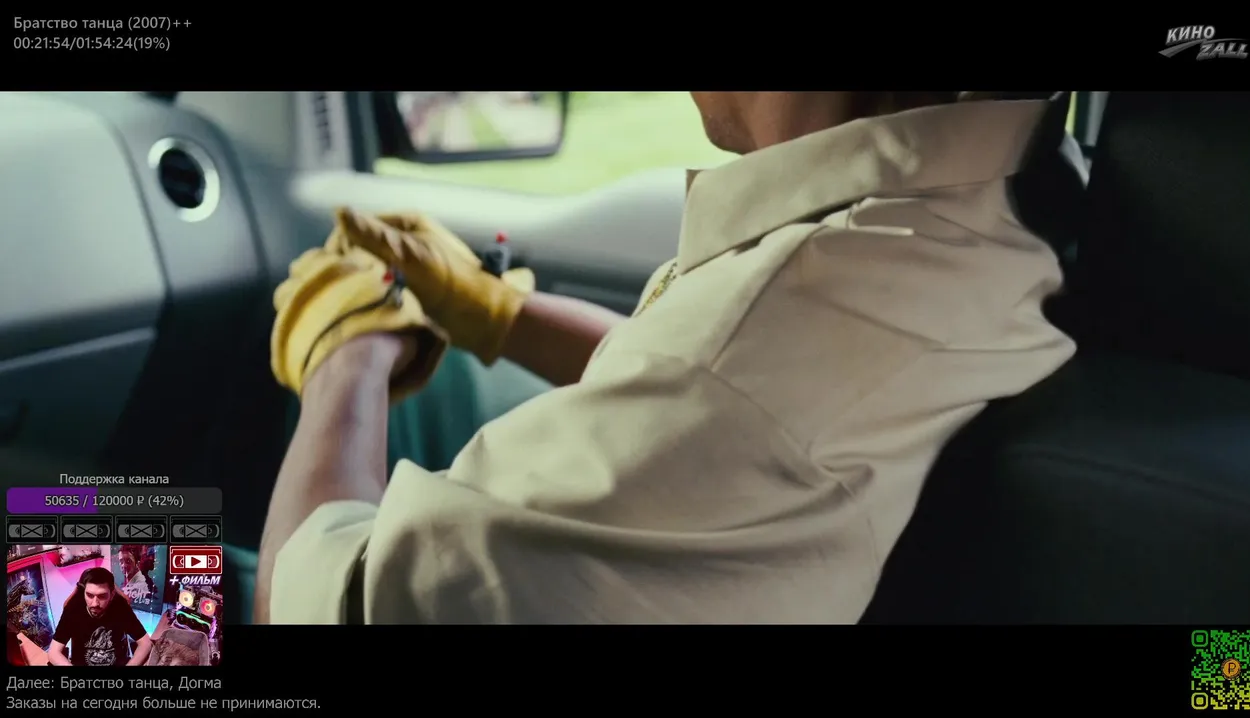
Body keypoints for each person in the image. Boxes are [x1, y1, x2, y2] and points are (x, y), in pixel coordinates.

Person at [258, 91, 1077, 624]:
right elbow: (689, 393)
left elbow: (319, 603)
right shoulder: (975, 209)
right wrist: (493, 310)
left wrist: (347, 357)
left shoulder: (766, 345)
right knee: (452, 389)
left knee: (174, 579)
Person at [47, 568, 151, 665]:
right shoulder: (73, 609)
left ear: (112, 594)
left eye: (102, 596)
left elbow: (145, 643)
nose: (95, 603)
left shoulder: (120, 607)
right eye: (89, 595)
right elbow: (53, 652)